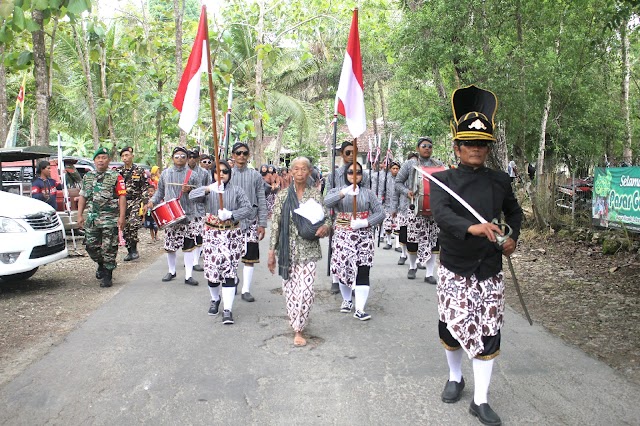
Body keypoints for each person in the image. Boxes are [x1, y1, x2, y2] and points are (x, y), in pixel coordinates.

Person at [430, 85, 522, 426]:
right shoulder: (442, 179)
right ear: (457, 146)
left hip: (489, 267)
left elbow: (514, 214)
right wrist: (473, 228)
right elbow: (442, 215)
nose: (476, 149)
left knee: (488, 330)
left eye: (482, 144)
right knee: (452, 328)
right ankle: (455, 377)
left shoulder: (500, 180)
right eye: (469, 143)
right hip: (455, 265)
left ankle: (480, 400)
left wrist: (512, 238)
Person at [268, 157, 332, 346]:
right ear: (291, 172)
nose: (300, 172)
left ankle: (299, 328)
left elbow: (327, 218)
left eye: (304, 169)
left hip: (308, 248)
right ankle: (296, 322)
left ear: (310, 171)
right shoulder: (282, 196)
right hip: (287, 250)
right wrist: (271, 252)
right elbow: (276, 225)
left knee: (306, 291)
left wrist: (325, 228)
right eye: (296, 169)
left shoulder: (315, 195)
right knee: (290, 290)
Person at [189, 159, 253, 325]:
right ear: (214, 174)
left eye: (225, 171)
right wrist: (208, 189)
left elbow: (247, 208)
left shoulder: (237, 191)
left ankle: (228, 309)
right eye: (218, 171)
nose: (222, 174)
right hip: (212, 236)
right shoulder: (208, 190)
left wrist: (232, 214)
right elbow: (191, 196)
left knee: (229, 272)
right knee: (213, 274)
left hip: (231, 235)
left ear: (229, 174)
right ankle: (215, 299)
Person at [324, 161, 385, 320]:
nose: (354, 175)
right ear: (346, 174)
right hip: (343, 235)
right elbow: (327, 202)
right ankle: (346, 300)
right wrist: (343, 193)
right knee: (344, 269)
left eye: (358, 172)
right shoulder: (337, 190)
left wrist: (366, 222)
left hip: (364, 235)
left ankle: (360, 308)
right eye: (351, 172)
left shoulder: (368, 193)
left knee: (363, 268)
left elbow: (380, 213)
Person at [147, 146, 202, 286]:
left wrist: (190, 190)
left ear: (187, 158)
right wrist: (152, 202)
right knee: (170, 245)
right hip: (170, 214)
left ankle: (189, 275)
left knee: (188, 246)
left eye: (183, 156)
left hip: (188, 215)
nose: (180, 159)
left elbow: (200, 194)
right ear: (172, 158)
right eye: (177, 156)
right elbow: (159, 192)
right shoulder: (165, 174)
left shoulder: (193, 175)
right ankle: (172, 271)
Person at [395, 138, 444, 283]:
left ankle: (429, 273)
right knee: (413, 239)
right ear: (418, 148)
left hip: (434, 210)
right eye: (424, 146)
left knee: (433, 241)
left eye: (430, 146)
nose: (427, 148)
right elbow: (398, 182)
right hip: (415, 208)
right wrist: (407, 192)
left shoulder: (439, 165)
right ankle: (412, 266)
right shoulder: (410, 164)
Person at [77, 147, 127, 287]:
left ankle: (108, 274)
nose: (101, 160)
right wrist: (80, 215)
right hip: (92, 218)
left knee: (109, 247)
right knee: (90, 246)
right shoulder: (88, 177)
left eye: (104, 157)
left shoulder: (116, 176)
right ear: (94, 160)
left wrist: (121, 217)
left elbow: (122, 196)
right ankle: (101, 263)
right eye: (98, 158)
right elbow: (83, 196)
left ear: (108, 160)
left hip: (109, 218)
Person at [325, 140, 371, 294]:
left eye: (354, 152)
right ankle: (336, 280)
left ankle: (353, 279)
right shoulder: (333, 174)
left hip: (357, 216)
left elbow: (367, 194)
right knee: (337, 250)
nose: (351, 155)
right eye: (348, 152)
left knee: (356, 252)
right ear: (341, 154)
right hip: (339, 216)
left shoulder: (362, 173)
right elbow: (327, 197)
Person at [229, 142, 268, 302]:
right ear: (233, 155)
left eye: (245, 153)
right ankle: (233, 281)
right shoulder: (227, 174)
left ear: (249, 155)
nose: (241, 156)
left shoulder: (255, 176)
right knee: (230, 255)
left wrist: (262, 223)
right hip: (231, 222)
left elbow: (261, 199)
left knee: (249, 256)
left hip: (251, 221)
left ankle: (246, 290)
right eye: (238, 153)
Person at [116, 147, 149, 261]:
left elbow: (145, 187)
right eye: (123, 156)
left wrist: (145, 202)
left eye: (127, 155)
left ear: (132, 156)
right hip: (123, 202)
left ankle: (134, 249)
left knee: (133, 223)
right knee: (124, 226)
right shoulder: (118, 171)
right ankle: (130, 250)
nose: (125, 158)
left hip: (136, 200)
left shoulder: (139, 170)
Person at [187, 148, 211, 272]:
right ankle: (188, 259)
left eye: (194, 157)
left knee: (198, 234)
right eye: (189, 157)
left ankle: (196, 261)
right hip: (184, 207)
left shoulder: (204, 173)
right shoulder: (182, 171)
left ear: (197, 159)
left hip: (199, 207)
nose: (191, 159)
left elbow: (209, 188)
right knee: (187, 236)